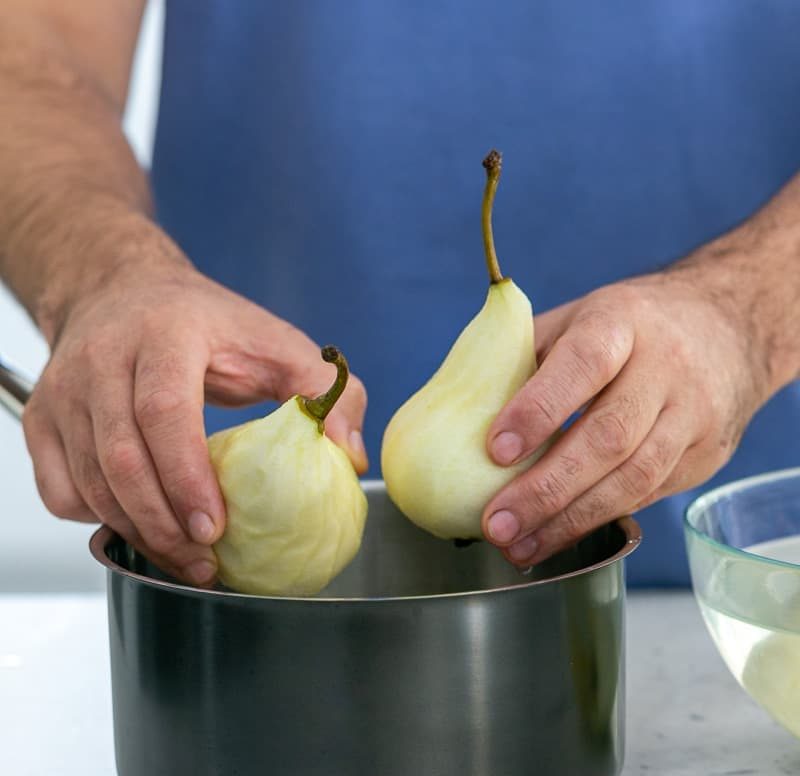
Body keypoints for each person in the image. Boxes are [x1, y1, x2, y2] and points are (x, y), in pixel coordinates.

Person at [1, 0, 799, 588]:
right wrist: (104, 277)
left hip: (762, 589)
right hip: (230, 595)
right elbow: (28, 49)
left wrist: (750, 311)